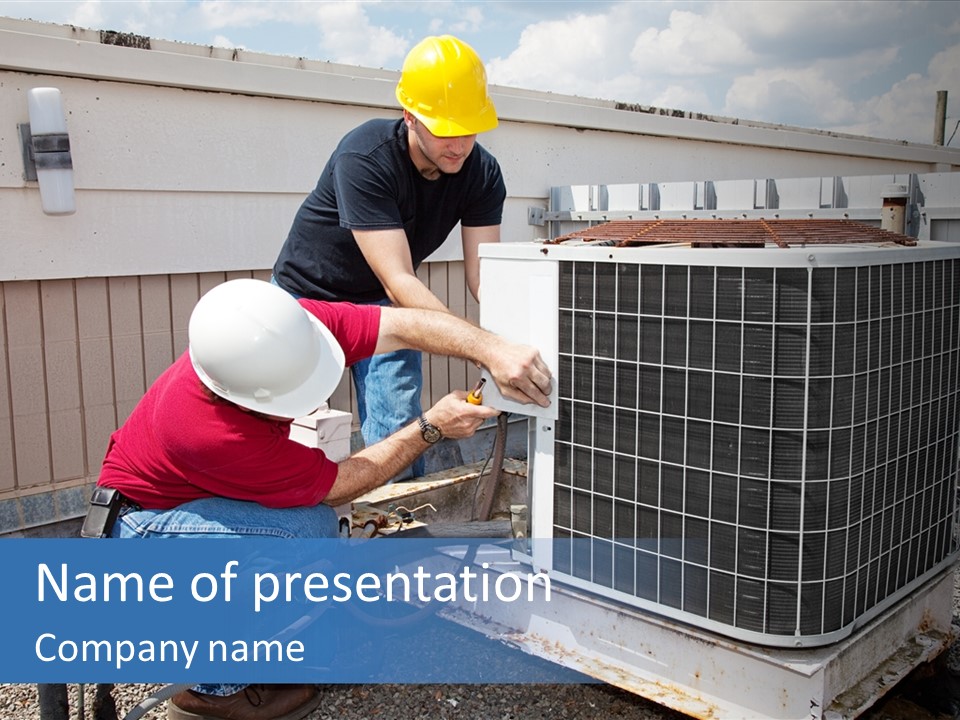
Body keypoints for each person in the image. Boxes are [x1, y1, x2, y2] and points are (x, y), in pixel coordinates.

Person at [87, 278, 551, 720]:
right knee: (306, 532)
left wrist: (492, 348)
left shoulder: (288, 329)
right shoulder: (208, 432)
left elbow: (405, 323)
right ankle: (211, 690)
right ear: (243, 398)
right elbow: (339, 484)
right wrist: (430, 427)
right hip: (138, 529)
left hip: (182, 501)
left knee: (301, 536)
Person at [271, 34, 504, 479]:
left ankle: (395, 534)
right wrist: (483, 348)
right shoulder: (366, 155)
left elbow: (483, 275)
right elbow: (399, 278)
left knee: (400, 427)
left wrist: (511, 337)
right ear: (410, 116)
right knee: (276, 420)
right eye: (442, 129)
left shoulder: (482, 173)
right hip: (305, 299)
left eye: (468, 129)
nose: (457, 144)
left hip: (381, 303)